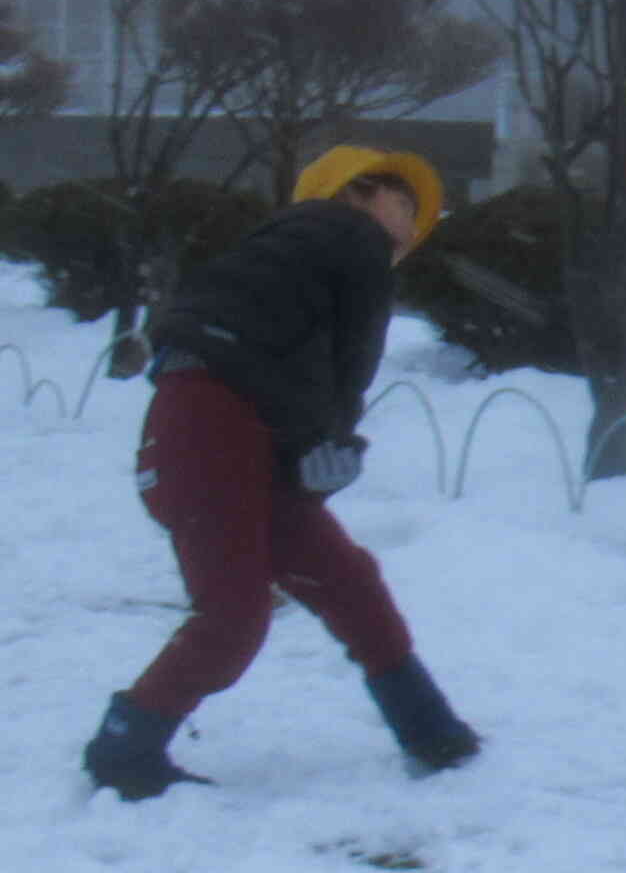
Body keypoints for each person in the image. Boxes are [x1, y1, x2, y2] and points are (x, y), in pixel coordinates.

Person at [82, 146, 482, 798]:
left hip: (225, 427)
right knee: (233, 617)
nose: (408, 220)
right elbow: (353, 358)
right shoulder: (350, 239)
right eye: (398, 200)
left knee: (346, 578)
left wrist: (306, 445)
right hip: (215, 427)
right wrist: (336, 439)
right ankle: (124, 748)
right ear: (350, 195)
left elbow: (269, 355)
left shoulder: (286, 257)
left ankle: (431, 729)